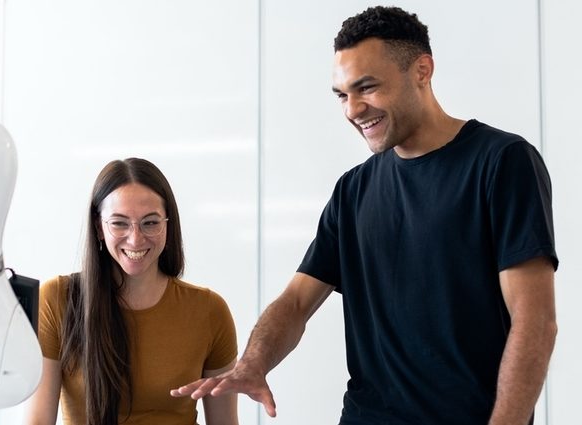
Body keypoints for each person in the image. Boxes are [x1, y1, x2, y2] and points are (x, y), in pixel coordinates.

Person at [171, 6, 557, 425]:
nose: (353, 109)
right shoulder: (353, 190)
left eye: (367, 87)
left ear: (422, 71)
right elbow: (298, 301)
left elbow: (534, 322)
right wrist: (253, 363)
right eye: (341, 94)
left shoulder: (501, 162)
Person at [25, 158, 239, 425]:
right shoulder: (57, 299)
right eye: (119, 223)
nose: (136, 238)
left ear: (167, 224)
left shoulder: (209, 310)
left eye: (150, 222)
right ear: (98, 227)